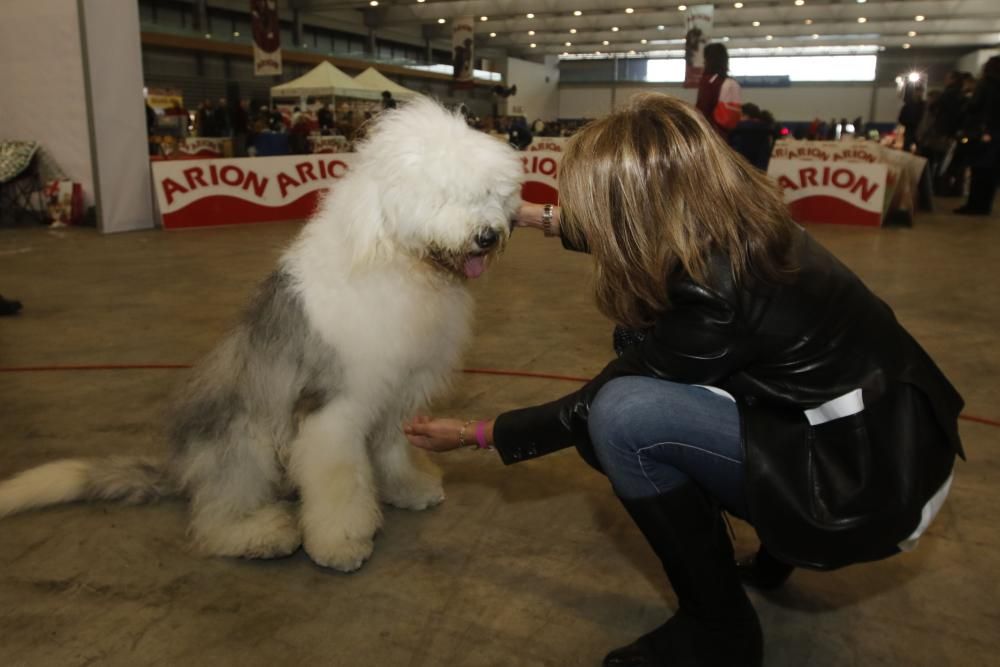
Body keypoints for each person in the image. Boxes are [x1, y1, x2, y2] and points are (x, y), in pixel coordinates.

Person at [403, 94, 962, 667]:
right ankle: (773, 554)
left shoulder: (711, 292)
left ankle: (719, 629)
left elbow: (590, 405)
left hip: (865, 484)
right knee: (654, 385)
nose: (576, 208)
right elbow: (640, 228)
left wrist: (480, 432)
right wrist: (533, 216)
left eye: (588, 203)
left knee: (620, 418)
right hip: (897, 437)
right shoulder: (739, 222)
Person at [955, 56, 1000, 216]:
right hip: (996, 135)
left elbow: (974, 107)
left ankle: (974, 204)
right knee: (991, 173)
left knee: (978, 170)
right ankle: (984, 205)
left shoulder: (985, 85)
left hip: (980, 133)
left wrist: (966, 100)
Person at [695, 43, 742, 139]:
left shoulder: (709, 80)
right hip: (730, 133)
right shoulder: (731, 81)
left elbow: (703, 107)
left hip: (711, 133)